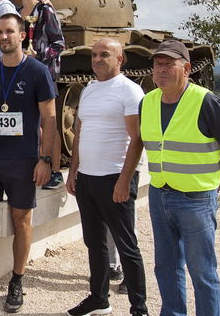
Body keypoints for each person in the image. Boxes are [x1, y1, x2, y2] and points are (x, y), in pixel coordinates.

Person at [140, 40, 220, 316]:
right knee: (166, 266)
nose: (160, 69)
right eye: (157, 64)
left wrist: (216, 176)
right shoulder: (148, 102)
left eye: (168, 64)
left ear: (186, 68)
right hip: (159, 194)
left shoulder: (205, 101)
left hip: (196, 200)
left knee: (203, 272)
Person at [0, 13, 56, 314]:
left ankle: (18, 280)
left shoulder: (37, 71)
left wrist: (46, 159)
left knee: (22, 221)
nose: (3, 37)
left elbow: (51, 118)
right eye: (0, 32)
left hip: (24, 159)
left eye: (9, 32)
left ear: (22, 35)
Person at [65, 38, 148, 316]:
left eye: (105, 55)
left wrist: (125, 180)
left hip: (115, 177)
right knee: (94, 243)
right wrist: (74, 169)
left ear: (120, 59)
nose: (97, 59)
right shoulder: (89, 90)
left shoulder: (130, 91)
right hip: (88, 177)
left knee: (126, 246)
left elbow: (137, 139)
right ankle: (99, 298)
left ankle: (139, 307)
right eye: (94, 55)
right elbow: (79, 131)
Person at [13, 0, 66, 189]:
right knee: (29, 123)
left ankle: (55, 171)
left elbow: (59, 42)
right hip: (22, 73)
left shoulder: (45, 9)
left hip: (43, 72)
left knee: (48, 123)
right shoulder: (16, 13)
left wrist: (40, 55)